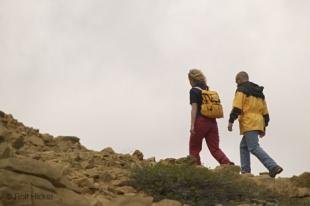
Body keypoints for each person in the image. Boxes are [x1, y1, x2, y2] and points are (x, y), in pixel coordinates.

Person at [228, 71, 283, 177]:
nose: (236, 84)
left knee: (253, 147)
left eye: (236, 82)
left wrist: (231, 121)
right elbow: (265, 112)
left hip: (249, 122)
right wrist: (264, 126)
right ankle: (245, 171)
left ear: (240, 79)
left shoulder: (241, 90)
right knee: (243, 146)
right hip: (258, 121)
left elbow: (237, 107)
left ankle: (273, 166)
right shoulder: (259, 92)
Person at [188, 69, 233, 165]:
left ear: (192, 80)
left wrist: (192, 125)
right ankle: (227, 164)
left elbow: (194, 109)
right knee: (215, 148)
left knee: (194, 147)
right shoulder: (207, 90)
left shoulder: (194, 91)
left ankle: (196, 168)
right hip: (212, 122)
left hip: (200, 121)